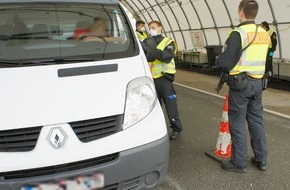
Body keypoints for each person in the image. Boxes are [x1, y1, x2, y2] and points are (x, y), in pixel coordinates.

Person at [215, 0, 270, 173]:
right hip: (258, 83)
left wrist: (218, 60)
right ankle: (261, 160)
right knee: (256, 121)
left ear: (241, 12)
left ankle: (239, 163)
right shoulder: (264, 33)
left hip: (241, 85)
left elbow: (225, 62)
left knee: (237, 123)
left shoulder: (238, 33)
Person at [148, 20, 183, 140]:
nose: (150, 30)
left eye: (153, 27)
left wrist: (152, 49)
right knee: (153, 106)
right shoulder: (148, 42)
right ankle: (155, 129)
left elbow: (166, 57)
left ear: (160, 28)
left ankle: (176, 128)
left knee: (170, 105)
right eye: (149, 28)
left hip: (164, 79)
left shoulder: (169, 42)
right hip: (152, 79)